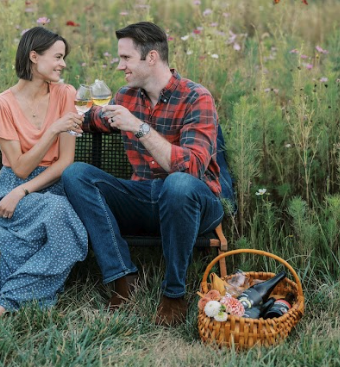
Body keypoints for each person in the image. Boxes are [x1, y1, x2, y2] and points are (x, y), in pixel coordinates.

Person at [62, 22, 225, 327]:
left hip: (195, 203)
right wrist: (52, 108)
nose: (120, 65)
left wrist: (138, 127)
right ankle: (123, 278)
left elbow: (191, 168)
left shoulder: (196, 97)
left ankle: (174, 293)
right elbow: (89, 117)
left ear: (151, 57)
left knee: (177, 184)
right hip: (143, 198)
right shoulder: (126, 97)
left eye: (126, 58)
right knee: (76, 175)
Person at [0, 27, 88, 326]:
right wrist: (53, 129)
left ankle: (1, 304)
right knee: (66, 223)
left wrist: (24, 192)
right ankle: (29, 298)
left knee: (61, 217)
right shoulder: (0, 105)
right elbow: (21, 168)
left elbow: (65, 162)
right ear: (34, 56)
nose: (63, 64)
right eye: (58, 57)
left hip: (49, 187)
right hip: (10, 188)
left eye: (64, 57)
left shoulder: (67, 94)